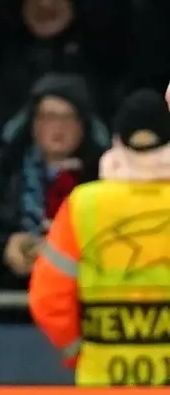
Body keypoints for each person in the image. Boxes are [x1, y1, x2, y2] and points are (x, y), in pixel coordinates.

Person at [30, 89, 170, 386]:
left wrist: (77, 352)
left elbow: (47, 298)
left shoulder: (84, 204)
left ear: (117, 141)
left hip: (103, 379)